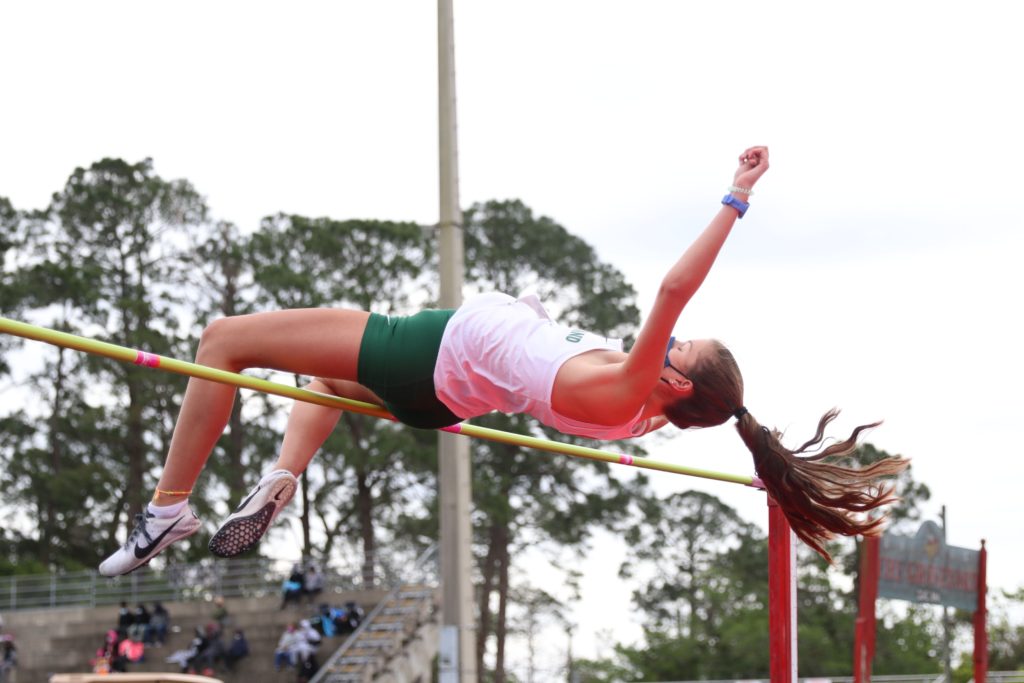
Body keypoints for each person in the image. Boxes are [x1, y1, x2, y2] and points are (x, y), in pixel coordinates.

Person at [97, 146, 907, 574]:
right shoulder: (633, 413)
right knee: (325, 379)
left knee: (224, 340)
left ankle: (168, 509)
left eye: (682, 346)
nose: (669, 338)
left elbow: (672, 287)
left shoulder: (632, 386)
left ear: (676, 378)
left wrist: (737, 196)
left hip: (426, 353)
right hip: (442, 395)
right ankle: (283, 474)